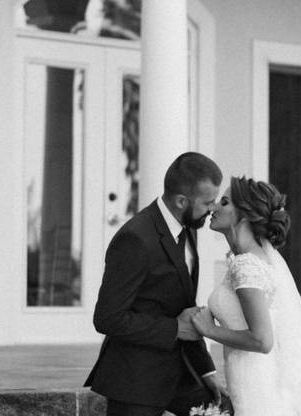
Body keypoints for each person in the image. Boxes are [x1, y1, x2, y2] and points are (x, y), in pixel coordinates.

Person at [191, 176, 301, 416]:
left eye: (224, 202)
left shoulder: (246, 265)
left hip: (254, 378)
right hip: (250, 372)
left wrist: (209, 330)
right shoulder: (249, 259)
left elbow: (262, 340)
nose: (213, 207)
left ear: (243, 214)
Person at [85, 152, 227, 416]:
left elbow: (185, 309)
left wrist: (206, 370)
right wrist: (174, 328)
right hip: (135, 383)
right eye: (207, 202)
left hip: (181, 375)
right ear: (181, 200)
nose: (213, 209)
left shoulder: (188, 226)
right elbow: (107, 318)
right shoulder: (135, 239)